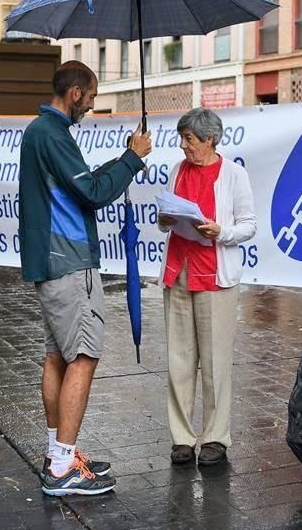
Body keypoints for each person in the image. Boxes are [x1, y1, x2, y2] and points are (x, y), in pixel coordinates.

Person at [19, 60, 152, 496]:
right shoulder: (52, 134)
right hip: (70, 261)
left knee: (58, 355)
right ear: (75, 93)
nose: (90, 108)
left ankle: (57, 452)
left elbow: (80, 185)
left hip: (52, 261)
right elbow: (92, 194)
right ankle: (62, 466)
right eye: (91, 99)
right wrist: (133, 159)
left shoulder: (41, 133)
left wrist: (121, 159)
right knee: (84, 356)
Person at [157, 108, 257, 467]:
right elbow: (164, 220)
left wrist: (222, 232)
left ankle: (215, 438)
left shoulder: (234, 174)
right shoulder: (176, 170)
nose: (184, 146)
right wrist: (164, 220)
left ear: (210, 139)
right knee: (179, 361)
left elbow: (248, 225)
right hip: (179, 273)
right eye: (182, 138)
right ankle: (182, 439)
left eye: (190, 139)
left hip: (215, 276)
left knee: (216, 363)